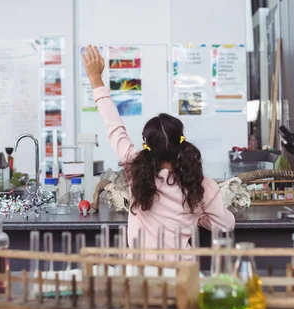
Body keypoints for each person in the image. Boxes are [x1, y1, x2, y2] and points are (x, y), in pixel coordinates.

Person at [82, 45, 235, 255]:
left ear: (146, 145)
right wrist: (200, 214)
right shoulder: (202, 186)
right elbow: (226, 226)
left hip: (139, 275)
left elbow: (114, 127)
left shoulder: (134, 168)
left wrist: (95, 80)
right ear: (181, 143)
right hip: (181, 275)